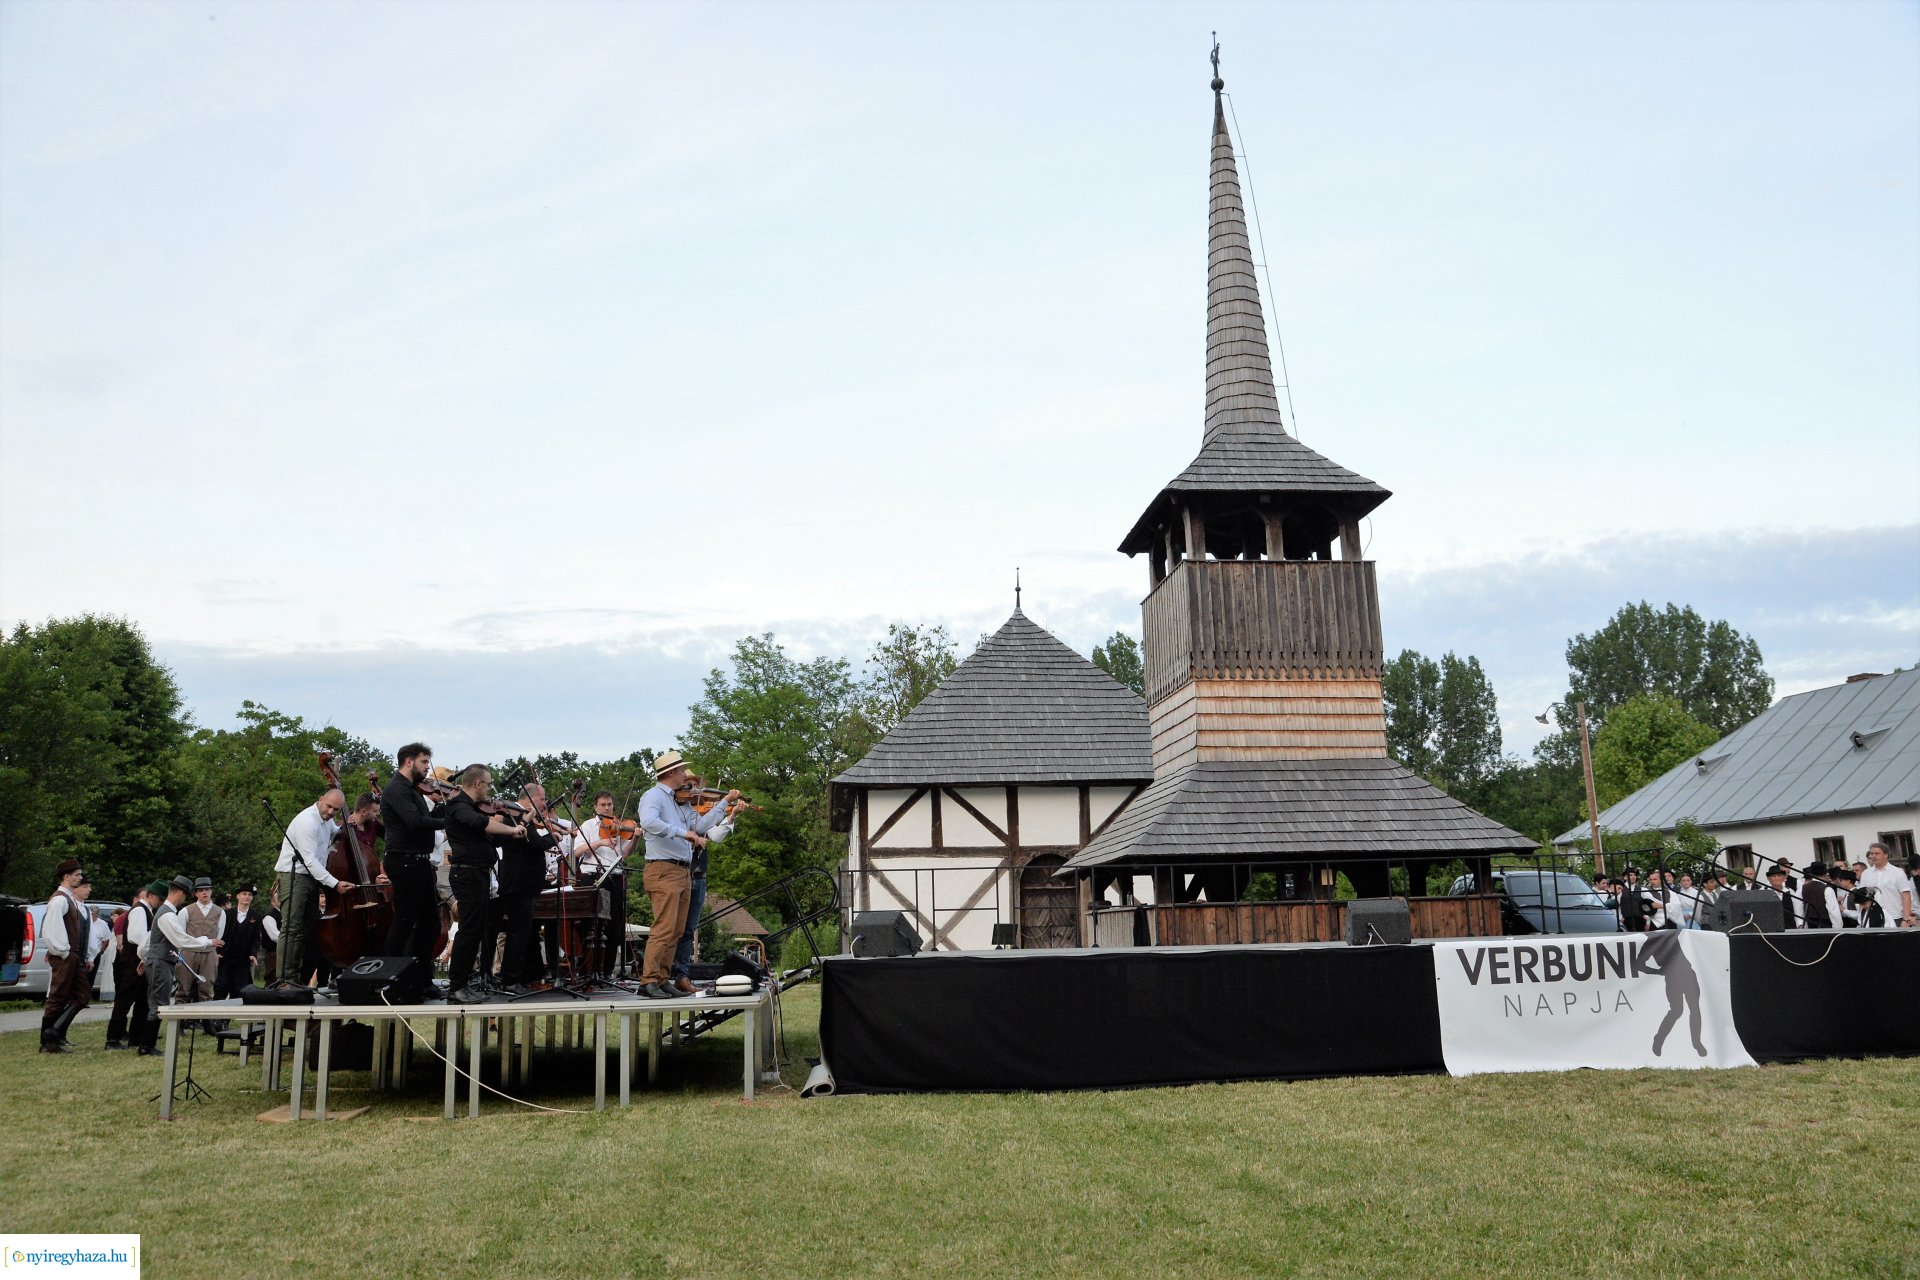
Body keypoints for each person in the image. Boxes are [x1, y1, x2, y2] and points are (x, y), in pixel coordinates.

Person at [635, 750, 738, 999]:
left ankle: (662, 978)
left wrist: (724, 804)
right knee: (664, 927)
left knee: (677, 930)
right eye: (682, 770)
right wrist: (683, 834)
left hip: (681, 871)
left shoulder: (680, 803)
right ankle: (648, 980)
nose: (685, 775)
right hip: (663, 868)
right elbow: (649, 823)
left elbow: (701, 825)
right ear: (670, 773)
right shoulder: (653, 797)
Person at [442, 764, 529, 1003]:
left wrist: (517, 826)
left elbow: (490, 838)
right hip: (467, 874)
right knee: (468, 930)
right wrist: (511, 830)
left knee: (476, 930)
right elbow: (481, 823)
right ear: (478, 783)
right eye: (488, 784)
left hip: (478, 874)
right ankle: (457, 987)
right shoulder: (458, 806)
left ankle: (463, 984)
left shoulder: (471, 808)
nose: (490, 789)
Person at [670, 776, 743, 995]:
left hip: (698, 875)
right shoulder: (675, 812)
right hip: (679, 873)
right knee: (673, 927)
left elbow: (716, 836)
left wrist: (731, 816)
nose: (695, 791)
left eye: (697, 786)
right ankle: (667, 973)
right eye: (690, 786)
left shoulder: (703, 815)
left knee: (689, 929)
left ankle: (682, 975)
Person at [275, 788, 353, 986]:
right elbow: (309, 861)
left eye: (336, 810)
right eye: (328, 807)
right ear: (320, 799)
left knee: (308, 929)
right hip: (295, 876)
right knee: (292, 928)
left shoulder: (326, 822)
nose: (330, 812)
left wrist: (354, 820)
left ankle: (298, 978)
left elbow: (337, 830)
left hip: (310, 879)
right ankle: (284, 979)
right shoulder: (307, 822)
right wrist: (335, 884)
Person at [381, 743, 447, 970]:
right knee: (404, 921)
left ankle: (416, 974)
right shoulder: (397, 789)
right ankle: (392, 974)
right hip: (404, 861)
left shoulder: (412, 789)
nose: (428, 768)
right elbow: (415, 822)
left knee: (430, 924)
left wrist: (453, 805)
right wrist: (453, 822)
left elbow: (427, 818)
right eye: (424, 762)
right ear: (409, 761)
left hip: (418, 861)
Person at [142, 875, 220, 1054]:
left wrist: (143, 958)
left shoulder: (165, 912)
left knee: (158, 1002)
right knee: (159, 1004)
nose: (185, 899)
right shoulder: (167, 914)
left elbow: (148, 942)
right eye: (185, 895)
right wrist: (207, 942)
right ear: (179, 893)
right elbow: (180, 939)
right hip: (160, 962)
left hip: (159, 960)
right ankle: (147, 1046)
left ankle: (146, 1043)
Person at [495, 783, 559, 993]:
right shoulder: (514, 814)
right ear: (531, 797)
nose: (544, 803)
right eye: (542, 799)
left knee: (526, 931)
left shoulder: (524, 815)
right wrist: (553, 837)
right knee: (518, 931)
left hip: (525, 883)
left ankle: (525, 975)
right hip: (517, 882)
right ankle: (510, 979)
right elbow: (534, 843)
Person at [574, 790, 634, 976]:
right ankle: (588, 971)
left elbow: (625, 853)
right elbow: (577, 851)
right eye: (603, 805)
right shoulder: (588, 825)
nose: (607, 808)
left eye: (609, 805)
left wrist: (636, 836)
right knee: (591, 926)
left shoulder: (618, 826)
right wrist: (600, 843)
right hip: (593, 878)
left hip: (614, 877)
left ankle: (607, 971)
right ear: (595, 807)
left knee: (615, 926)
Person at [39, 859, 91, 1054]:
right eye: (77, 875)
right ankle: (48, 1042)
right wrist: (64, 952)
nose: (80, 877)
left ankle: (55, 1033)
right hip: (64, 955)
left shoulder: (68, 899)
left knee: (82, 995)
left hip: (72, 956)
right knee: (57, 997)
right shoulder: (59, 899)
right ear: (66, 877)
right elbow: (51, 930)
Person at [106, 882, 162, 1050]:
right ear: (150, 896)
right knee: (125, 1001)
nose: (160, 902)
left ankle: (136, 1036)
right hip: (133, 962)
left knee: (142, 1002)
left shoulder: (147, 910)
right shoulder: (139, 910)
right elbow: (136, 937)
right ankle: (113, 1039)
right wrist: (155, 943)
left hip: (141, 961)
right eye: (160, 898)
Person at [178, 877, 224, 1007]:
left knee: (207, 990)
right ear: (196, 893)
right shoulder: (186, 911)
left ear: (211, 891)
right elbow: (180, 935)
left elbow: (219, 934)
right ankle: (179, 1024)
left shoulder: (219, 912)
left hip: (209, 954)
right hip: (188, 953)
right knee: (183, 989)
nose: (205, 893)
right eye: (201, 890)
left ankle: (206, 1024)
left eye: (207, 890)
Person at [218, 885, 270, 997]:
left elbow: (256, 939)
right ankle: (218, 1015)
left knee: (239, 992)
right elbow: (219, 934)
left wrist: (253, 954)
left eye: (250, 895)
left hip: (242, 961)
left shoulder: (256, 916)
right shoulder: (226, 914)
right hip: (224, 959)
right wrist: (217, 952)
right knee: (220, 989)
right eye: (244, 894)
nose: (247, 896)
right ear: (238, 896)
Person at [1857, 842, 1915, 929]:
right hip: (1873, 917)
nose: (1873, 856)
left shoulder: (1897, 873)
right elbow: (1862, 896)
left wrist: (1906, 919)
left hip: (1895, 917)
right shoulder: (1866, 873)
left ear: (1886, 855)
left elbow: (1906, 896)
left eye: (1877, 853)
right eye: (1871, 853)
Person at [1765, 864, 1804, 928]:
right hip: (1771, 929)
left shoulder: (1790, 891)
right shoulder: (1763, 892)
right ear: (1769, 879)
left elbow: (1797, 910)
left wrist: (1799, 924)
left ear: (1783, 878)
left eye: (1779, 875)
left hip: (1790, 928)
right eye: (1773, 876)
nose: (1776, 878)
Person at [1801, 863, 1835, 930]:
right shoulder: (1827, 889)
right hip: (1826, 925)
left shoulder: (1802, 888)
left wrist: (1803, 927)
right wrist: (1837, 928)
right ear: (1825, 873)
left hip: (1809, 924)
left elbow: (1799, 908)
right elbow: (1833, 912)